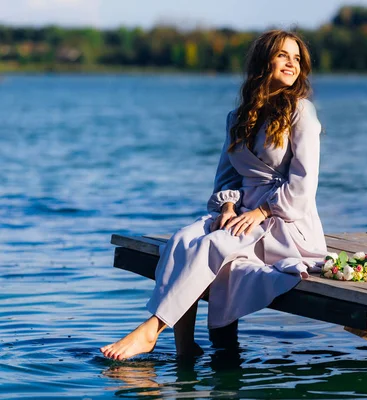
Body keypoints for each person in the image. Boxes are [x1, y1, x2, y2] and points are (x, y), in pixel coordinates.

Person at [100, 30, 327, 360]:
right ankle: (185, 347)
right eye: (282, 55)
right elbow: (227, 176)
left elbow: (304, 186)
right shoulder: (239, 118)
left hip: (284, 222)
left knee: (212, 245)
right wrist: (229, 206)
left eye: (296, 58)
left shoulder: (300, 112)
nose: (291, 63)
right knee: (180, 241)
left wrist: (262, 212)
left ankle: (150, 331)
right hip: (242, 215)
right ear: (265, 62)